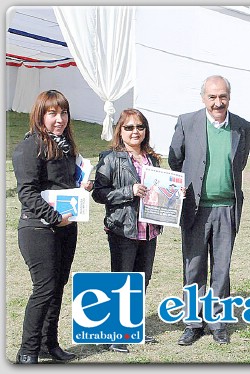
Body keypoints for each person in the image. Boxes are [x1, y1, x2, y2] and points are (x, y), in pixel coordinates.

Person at [168, 75, 250, 345]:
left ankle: (217, 322)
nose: (218, 102)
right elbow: (174, 159)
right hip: (195, 208)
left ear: (229, 96)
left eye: (223, 96)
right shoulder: (186, 122)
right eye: (212, 97)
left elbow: (241, 162)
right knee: (193, 267)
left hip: (227, 208)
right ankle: (193, 322)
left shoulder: (243, 127)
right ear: (203, 97)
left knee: (222, 269)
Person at [12, 90, 93, 364]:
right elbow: (27, 192)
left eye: (63, 113)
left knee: (58, 285)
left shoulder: (66, 146)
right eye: (52, 113)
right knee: (44, 288)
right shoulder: (29, 146)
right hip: (38, 229)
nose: (59, 119)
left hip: (66, 228)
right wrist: (54, 217)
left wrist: (82, 187)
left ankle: (49, 343)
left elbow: (62, 185)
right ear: (40, 115)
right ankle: (27, 350)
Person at [92, 108, 162, 353]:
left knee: (141, 281)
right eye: (129, 127)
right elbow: (99, 194)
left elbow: (160, 191)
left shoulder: (152, 158)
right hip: (123, 228)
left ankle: (132, 328)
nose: (135, 132)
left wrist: (174, 195)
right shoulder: (110, 158)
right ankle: (115, 333)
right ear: (119, 131)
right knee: (122, 280)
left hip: (149, 229)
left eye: (140, 127)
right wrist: (128, 192)